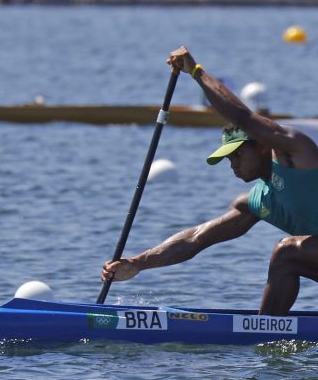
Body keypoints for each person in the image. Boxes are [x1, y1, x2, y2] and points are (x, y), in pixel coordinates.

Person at [101, 46, 318, 316]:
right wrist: (137, 263)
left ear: (261, 145)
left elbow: (243, 117)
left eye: (237, 154)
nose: (233, 165)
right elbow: (195, 239)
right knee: (288, 256)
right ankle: (263, 332)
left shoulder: (294, 152)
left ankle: (263, 332)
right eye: (228, 160)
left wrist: (195, 71)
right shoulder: (258, 201)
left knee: (286, 253)